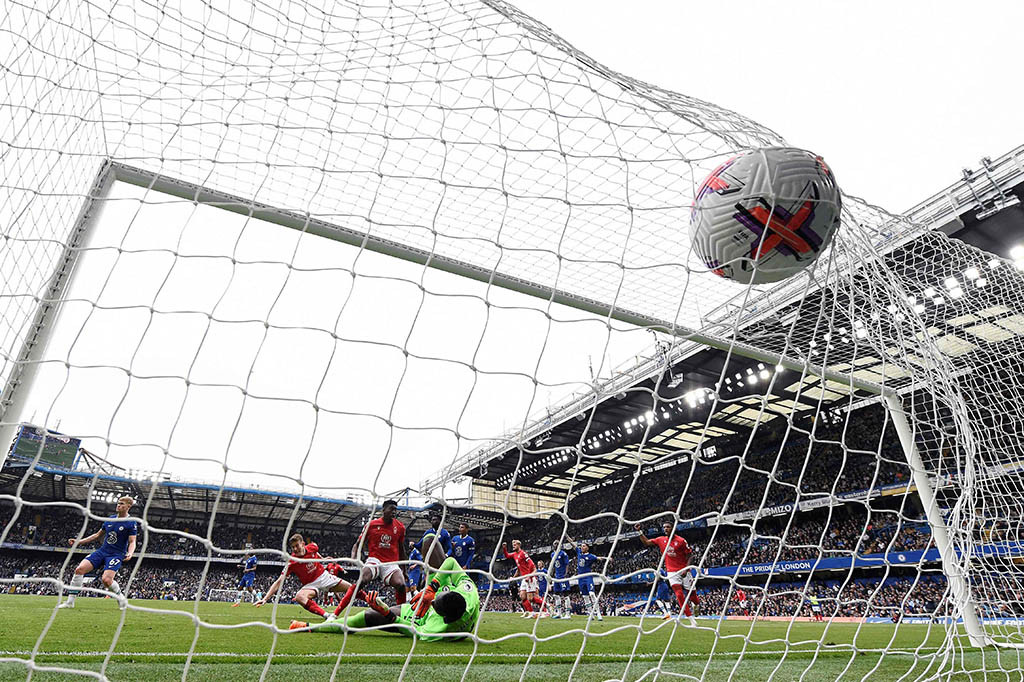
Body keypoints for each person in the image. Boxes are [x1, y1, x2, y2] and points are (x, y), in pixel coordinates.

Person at [290, 536, 479, 642]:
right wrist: (433, 588)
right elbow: (451, 561)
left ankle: (311, 627)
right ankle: (432, 589)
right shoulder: (468, 592)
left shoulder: (434, 631)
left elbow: (403, 628)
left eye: (435, 604)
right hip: (440, 594)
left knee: (368, 616)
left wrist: (385, 611)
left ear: (443, 617)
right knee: (430, 540)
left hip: (418, 618)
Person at [258, 534, 368, 621]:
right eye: (292, 547)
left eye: (297, 546)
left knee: (352, 588)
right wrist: (265, 598)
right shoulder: (292, 562)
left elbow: (316, 554)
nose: (295, 549)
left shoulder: (313, 547)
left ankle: (371, 601)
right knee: (299, 597)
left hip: (324, 577)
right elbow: (279, 581)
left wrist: (322, 559)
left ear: (303, 544)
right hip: (311, 585)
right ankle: (326, 615)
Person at [58, 495, 138, 609]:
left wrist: (130, 552)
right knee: (79, 570)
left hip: (116, 554)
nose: (118, 505)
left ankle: (121, 598)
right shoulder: (110, 519)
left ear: (128, 507)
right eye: (118, 503)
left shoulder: (131, 523)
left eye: (122, 504)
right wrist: (79, 542)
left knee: (106, 580)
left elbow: (132, 541)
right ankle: (70, 602)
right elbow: (97, 535)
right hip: (102, 551)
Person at [635, 520, 694, 624]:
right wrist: (639, 532)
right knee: (678, 595)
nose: (665, 529)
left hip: (675, 576)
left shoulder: (680, 541)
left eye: (668, 527)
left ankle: (677, 611)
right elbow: (647, 542)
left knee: (691, 595)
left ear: (672, 528)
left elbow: (690, 556)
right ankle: (685, 617)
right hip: (671, 572)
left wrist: (686, 568)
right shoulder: (661, 540)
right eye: (664, 527)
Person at [354, 499, 408, 604]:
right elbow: (357, 544)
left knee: (401, 585)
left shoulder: (400, 527)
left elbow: (401, 549)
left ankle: (401, 611)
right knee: (362, 580)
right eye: (391, 509)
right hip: (375, 559)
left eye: (395, 510)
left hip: (391, 563)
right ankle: (341, 607)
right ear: (384, 510)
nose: (394, 512)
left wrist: (404, 570)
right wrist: (354, 557)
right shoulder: (371, 524)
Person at [502, 539, 546, 618]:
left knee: (531, 599)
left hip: (530, 578)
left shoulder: (523, 553)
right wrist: (504, 548)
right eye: (512, 544)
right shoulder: (515, 554)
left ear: (519, 545)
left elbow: (533, 566)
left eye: (515, 544)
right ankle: (530, 612)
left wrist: (530, 576)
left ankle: (547, 606)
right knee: (522, 596)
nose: (513, 546)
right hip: (524, 578)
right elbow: (507, 556)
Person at [567, 536, 606, 621]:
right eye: (581, 546)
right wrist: (566, 536)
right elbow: (573, 544)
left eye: (584, 546)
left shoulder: (591, 556)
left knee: (592, 594)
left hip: (588, 577)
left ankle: (598, 614)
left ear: (587, 548)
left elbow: (598, 558)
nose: (582, 547)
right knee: (585, 597)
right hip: (580, 578)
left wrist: (607, 558)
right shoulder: (579, 552)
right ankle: (590, 614)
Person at [548, 542, 571, 619]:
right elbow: (553, 566)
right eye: (554, 544)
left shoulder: (563, 554)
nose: (555, 545)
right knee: (556, 595)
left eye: (556, 544)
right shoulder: (552, 554)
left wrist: (566, 574)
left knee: (565, 595)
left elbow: (567, 564)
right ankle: (559, 613)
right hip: (556, 577)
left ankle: (568, 614)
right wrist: (551, 575)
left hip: (563, 576)